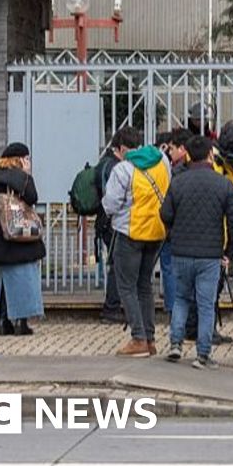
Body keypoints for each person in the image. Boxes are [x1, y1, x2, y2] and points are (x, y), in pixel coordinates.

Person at [161, 136, 233, 370]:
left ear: (187, 155)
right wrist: (229, 250)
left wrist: (175, 231)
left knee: (181, 299)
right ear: (209, 156)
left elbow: (165, 214)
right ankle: (203, 354)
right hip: (210, 254)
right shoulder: (223, 183)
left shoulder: (178, 182)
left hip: (181, 251)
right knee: (206, 304)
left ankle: (176, 343)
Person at [102, 130, 171, 357]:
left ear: (122, 149)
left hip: (130, 232)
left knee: (127, 287)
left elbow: (110, 205)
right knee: (144, 286)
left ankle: (138, 338)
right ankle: (150, 339)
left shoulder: (122, 169)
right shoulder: (163, 161)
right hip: (157, 231)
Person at [0, 142, 47, 336]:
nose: (29, 162)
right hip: (19, 233)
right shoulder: (21, 178)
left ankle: (3, 322)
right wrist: (26, 175)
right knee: (23, 276)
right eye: (27, 159)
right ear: (20, 159)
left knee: (6, 279)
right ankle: (21, 322)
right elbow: (32, 197)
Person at [98, 127, 138, 324]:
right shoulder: (115, 167)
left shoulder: (106, 163)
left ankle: (113, 305)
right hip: (111, 224)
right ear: (122, 149)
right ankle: (112, 307)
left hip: (107, 222)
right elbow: (112, 200)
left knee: (116, 265)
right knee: (116, 266)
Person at [157, 128, 194, 319]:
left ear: (182, 149)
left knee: (169, 268)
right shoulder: (197, 169)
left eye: (172, 148)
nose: (169, 152)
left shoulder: (175, 172)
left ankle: (173, 308)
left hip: (174, 228)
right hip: (190, 230)